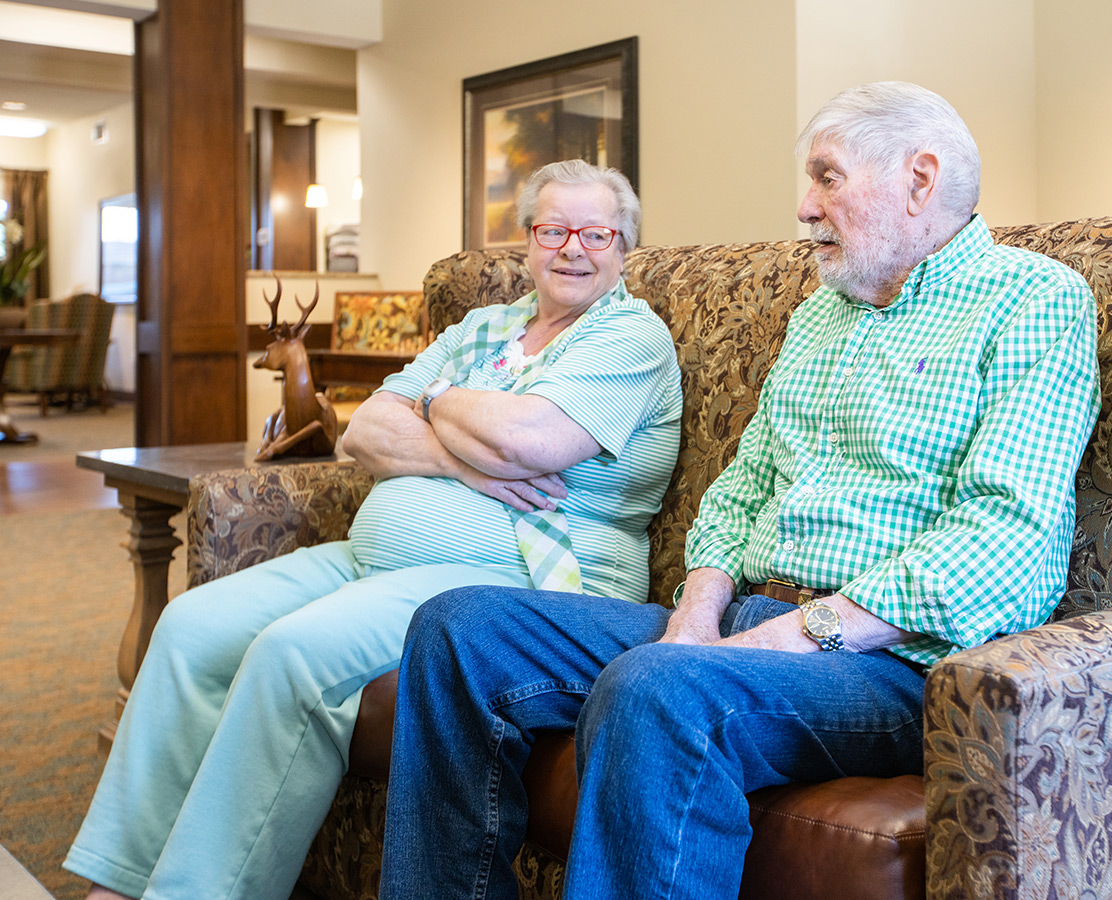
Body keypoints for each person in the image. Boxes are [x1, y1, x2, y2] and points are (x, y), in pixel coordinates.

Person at [379, 82, 1101, 900]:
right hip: (745, 624)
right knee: (458, 629)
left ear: (920, 180)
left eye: (827, 177)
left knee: (657, 689)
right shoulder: (820, 313)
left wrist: (793, 636)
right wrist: (694, 616)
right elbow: (742, 487)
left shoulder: (1033, 300)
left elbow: (1006, 541)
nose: (803, 206)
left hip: (892, 662)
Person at [63, 159, 682, 900]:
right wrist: (467, 466)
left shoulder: (628, 338)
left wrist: (440, 397)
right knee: (192, 626)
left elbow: (533, 439)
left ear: (624, 248)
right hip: (374, 558)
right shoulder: (488, 325)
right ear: (528, 240)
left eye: (595, 232)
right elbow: (366, 431)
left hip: (532, 577)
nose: (572, 248)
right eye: (553, 229)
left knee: (292, 654)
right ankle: (117, 881)